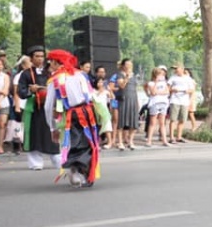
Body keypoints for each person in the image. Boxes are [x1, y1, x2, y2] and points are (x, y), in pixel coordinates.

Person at [44, 50, 100, 187]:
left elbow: (48, 106)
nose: (50, 64)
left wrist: (52, 127)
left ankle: (75, 170)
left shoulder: (54, 80)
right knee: (87, 143)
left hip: (71, 114)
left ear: (55, 62)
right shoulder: (80, 75)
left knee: (74, 143)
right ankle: (83, 171)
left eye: (51, 61)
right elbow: (91, 95)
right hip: (88, 112)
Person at [17, 45, 60, 170]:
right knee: (34, 134)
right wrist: (31, 90)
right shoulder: (25, 74)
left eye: (42, 56)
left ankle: (58, 160)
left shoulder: (50, 73)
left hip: (49, 107)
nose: (40, 59)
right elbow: (21, 92)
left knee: (51, 132)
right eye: (37, 56)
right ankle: (35, 162)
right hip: (34, 108)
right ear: (31, 58)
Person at [113, 59, 139, 150]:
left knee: (133, 121)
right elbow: (122, 86)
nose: (129, 66)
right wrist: (127, 77)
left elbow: (135, 89)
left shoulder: (134, 75)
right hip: (124, 99)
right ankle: (120, 142)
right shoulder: (120, 75)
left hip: (133, 99)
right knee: (122, 121)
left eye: (130, 64)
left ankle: (130, 141)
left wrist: (137, 102)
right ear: (123, 65)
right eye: (127, 64)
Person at [167, 64, 194, 144]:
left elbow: (192, 89)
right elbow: (168, 88)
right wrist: (173, 90)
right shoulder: (173, 78)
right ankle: (171, 137)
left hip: (184, 101)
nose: (176, 70)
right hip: (175, 100)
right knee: (173, 119)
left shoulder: (188, 78)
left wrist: (187, 91)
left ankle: (179, 137)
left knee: (182, 120)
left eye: (177, 69)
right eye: (175, 69)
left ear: (182, 69)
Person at [145, 67, 171, 147]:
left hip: (163, 103)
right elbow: (153, 92)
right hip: (155, 103)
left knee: (162, 123)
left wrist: (158, 92)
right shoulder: (151, 83)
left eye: (162, 74)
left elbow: (167, 92)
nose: (162, 76)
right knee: (152, 123)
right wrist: (156, 82)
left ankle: (164, 140)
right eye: (160, 74)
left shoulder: (165, 83)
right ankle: (149, 140)